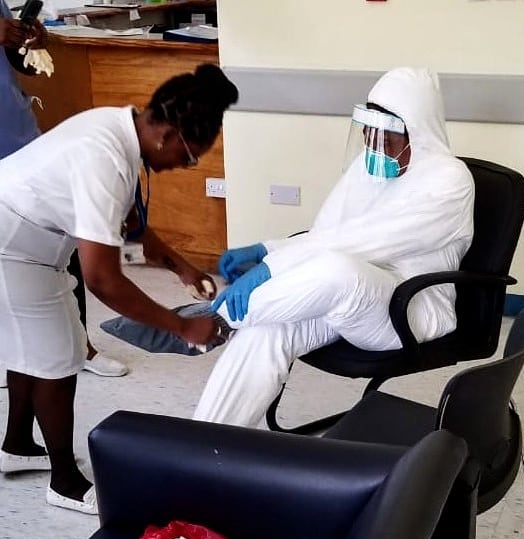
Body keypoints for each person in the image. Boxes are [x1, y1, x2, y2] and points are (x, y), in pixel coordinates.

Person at [0, 63, 238, 513]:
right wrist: (181, 328)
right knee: (57, 360)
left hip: (30, 242)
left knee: (36, 351)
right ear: (167, 135)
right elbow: (103, 280)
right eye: (189, 158)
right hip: (11, 248)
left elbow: (132, 226)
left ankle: (17, 445)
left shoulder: (123, 129)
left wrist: (183, 268)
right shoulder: (104, 159)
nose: (182, 167)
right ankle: (65, 483)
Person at [193, 67, 475, 428]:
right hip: (347, 302)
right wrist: (266, 250)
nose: (373, 143)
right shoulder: (369, 167)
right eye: (369, 131)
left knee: (339, 270)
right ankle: (205, 444)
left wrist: (271, 268)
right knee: (266, 331)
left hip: (408, 308)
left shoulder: (450, 181)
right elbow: (327, 234)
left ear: (416, 131)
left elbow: (362, 241)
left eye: (385, 135)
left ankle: (216, 319)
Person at [0, 0, 125, 385]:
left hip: (18, 138)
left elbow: (16, 62)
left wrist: (29, 41)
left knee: (61, 243)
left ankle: (81, 345)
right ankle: (10, 354)